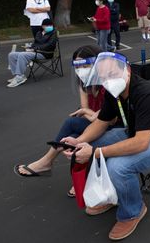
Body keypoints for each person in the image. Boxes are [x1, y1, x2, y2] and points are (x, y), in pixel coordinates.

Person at [62, 52, 150, 241]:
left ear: (127, 70)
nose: (109, 80)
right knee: (94, 142)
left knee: (117, 167)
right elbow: (101, 122)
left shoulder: (145, 92)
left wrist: (96, 152)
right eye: (104, 77)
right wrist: (79, 141)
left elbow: (141, 142)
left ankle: (133, 211)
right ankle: (111, 195)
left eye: (112, 74)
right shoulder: (113, 91)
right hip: (134, 132)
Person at [14, 45, 106, 185]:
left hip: (107, 124)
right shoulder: (84, 83)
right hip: (92, 122)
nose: (80, 71)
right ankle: (79, 180)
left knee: (71, 124)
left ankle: (47, 162)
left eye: (85, 65)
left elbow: (104, 116)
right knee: (72, 137)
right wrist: (89, 113)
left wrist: (88, 113)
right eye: (77, 66)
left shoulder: (106, 84)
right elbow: (85, 109)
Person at [7, 18, 58, 87]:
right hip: (36, 52)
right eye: (47, 25)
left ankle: (19, 77)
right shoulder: (39, 33)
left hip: (45, 53)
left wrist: (36, 49)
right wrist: (30, 47)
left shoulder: (53, 33)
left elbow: (50, 45)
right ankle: (18, 75)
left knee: (22, 55)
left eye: (50, 25)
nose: (49, 26)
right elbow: (35, 43)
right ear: (42, 26)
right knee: (11, 55)